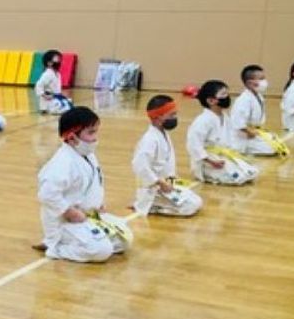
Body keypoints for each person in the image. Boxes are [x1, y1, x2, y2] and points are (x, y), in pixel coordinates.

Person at [36, 105, 132, 263]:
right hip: (66, 222)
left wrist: (99, 203)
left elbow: (95, 182)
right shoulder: (62, 162)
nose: (95, 137)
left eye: (96, 131)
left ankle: (87, 241)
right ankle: (56, 247)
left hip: (87, 217)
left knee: (123, 239)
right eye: (91, 132)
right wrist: (69, 212)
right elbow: (46, 194)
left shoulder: (87, 154)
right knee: (102, 251)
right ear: (72, 137)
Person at [131, 95, 203, 217]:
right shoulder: (150, 139)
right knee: (190, 207)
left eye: (175, 114)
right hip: (154, 189)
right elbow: (139, 165)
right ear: (158, 117)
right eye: (172, 115)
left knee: (197, 200)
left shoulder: (162, 133)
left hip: (167, 185)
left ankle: (156, 203)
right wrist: (160, 182)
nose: (175, 118)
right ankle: (151, 205)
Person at [186, 80, 259, 185]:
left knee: (252, 173)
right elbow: (193, 144)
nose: (227, 97)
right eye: (223, 94)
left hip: (223, 155)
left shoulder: (224, 116)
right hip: (208, 159)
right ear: (211, 101)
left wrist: (235, 152)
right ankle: (207, 174)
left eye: (227, 93)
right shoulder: (202, 120)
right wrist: (210, 160)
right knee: (239, 179)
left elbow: (230, 137)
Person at [230, 65, 287, 156]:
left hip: (254, 132)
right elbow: (237, 122)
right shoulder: (244, 100)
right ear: (249, 83)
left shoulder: (258, 96)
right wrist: (250, 132)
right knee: (270, 149)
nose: (264, 81)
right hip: (244, 136)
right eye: (261, 79)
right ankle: (244, 149)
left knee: (277, 143)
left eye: (264, 78)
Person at [34, 49, 73, 115]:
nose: (59, 61)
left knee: (69, 103)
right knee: (64, 108)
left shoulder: (57, 74)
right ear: (49, 63)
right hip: (49, 99)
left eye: (59, 59)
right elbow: (39, 85)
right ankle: (45, 109)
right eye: (57, 59)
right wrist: (44, 95)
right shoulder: (48, 74)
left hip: (56, 97)